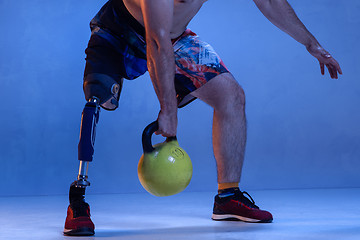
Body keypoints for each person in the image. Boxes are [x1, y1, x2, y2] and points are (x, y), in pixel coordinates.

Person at [63, 0, 342, 236]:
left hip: (172, 37)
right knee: (98, 100)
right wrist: (168, 110)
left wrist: (312, 44)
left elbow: (269, 1)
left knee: (231, 95)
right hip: (119, 32)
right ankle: (78, 199)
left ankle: (228, 197)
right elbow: (156, 41)